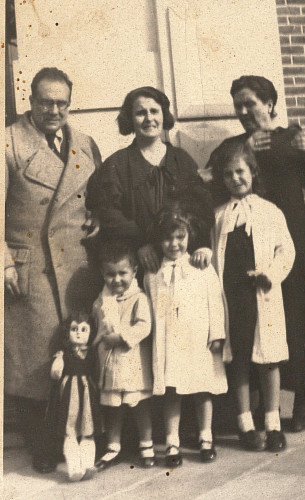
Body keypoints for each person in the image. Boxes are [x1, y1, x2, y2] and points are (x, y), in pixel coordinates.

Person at [207, 75, 305, 432]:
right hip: (247, 247)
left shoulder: (291, 137)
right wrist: (246, 144)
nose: (245, 111)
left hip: (292, 238)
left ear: (270, 103)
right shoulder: (232, 145)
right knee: (255, 321)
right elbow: (212, 181)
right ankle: (266, 405)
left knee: (299, 317)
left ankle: (303, 398)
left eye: (250, 103)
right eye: (239, 106)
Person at [4, 67, 102, 472]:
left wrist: (96, 218)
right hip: (31, 268)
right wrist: (3, 260)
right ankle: (43, 446)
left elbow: (95, 195)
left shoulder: (85, 142)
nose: (54, 110)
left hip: (77, 266)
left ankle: (78, 438)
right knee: (35, 361)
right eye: (46, 102)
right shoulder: (9, 142)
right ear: (31, 101)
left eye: (62, 102)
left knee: (77, 359)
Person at [210, 141, 295, 452]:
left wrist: (271, 274)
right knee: (239, 359)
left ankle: (272, 422)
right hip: (233, 299)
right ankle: (245, 423)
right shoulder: (218, 216)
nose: (235, 178)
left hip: (262, 295)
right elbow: (214, 256)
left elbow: (287, 250)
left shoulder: (270, 211)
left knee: (269, 359)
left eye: (241, 171)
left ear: (253, 172)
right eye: (229, 174)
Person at [86, 86, 214, 274]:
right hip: (139, 262)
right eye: (140, 113)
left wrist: (202, 245)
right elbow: (109, 214)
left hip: (183, 262)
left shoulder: (182, 160)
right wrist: (141, 244)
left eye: (154, 111)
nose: (149, 118)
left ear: (163, 115)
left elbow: (201, 208)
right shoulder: (117, 165)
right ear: (130, 119)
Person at [144, 205, 228, 467]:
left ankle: (206, 437)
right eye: (168, 238)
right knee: (173, 391)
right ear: (159, 240)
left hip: (198, 339)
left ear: (189, 237)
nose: (174, 244)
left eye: (180, 237)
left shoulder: (200, 266)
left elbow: (215, 300)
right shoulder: (152, 273)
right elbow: (148, 307)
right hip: (170, 342)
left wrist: (217, 333)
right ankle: (172, 442)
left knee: (203, 389)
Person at [92, 241, 154, 470]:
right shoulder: (101, 300)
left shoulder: (139, 298)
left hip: (132, 363)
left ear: (134, 271)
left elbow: (144, 326)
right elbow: (96, 324)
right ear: (102, 273)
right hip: (110, 364)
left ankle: (146, 444)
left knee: (138, 404)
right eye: (110, 274)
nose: (116, 279)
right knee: (113, 406)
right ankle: (113, 446)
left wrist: (122, 337)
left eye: (122, 273)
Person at [46, 313, 102, 481]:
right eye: (74, 329)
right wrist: (58, 361)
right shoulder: (64, 354)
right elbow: (55, 374)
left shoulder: (92, 353)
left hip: (87, 396)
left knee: (88, 431)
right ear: (67, 332)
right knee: (69, 431)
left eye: (84, 329)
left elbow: (97, 373)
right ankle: (74, 468)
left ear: (91, 333)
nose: (78, 333)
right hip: (68, 396)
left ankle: (87, 464)